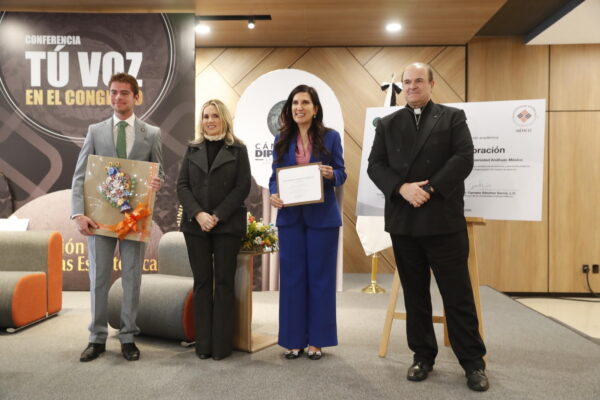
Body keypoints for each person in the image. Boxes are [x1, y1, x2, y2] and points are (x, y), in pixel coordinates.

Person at [367, 62, 489, 392]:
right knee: (415, 295)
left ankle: (473, 362)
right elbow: (375, 165)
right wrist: (402, 188)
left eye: (419, 81)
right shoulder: (388, 123)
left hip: (443, 220)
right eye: (407, 82)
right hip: (404, 222)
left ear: (432, 84)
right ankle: (422, 356)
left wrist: (429, 189)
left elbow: (463, 158)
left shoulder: (452, 118)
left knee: (457, 295)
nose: (412, 86)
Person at [71, 72, 164, 362]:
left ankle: (128, 337)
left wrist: (157, 180)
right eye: (113, 92)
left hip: (135, 219)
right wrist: (78, 213)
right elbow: (80, 176)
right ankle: (96, 338)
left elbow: (158, 170)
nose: (118, 97)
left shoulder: (152, 133)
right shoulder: (95, 131)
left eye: (124, 93)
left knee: (132, 278)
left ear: (136, 97)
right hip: (99, 219)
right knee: (98, 278)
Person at [269, 84, 346, 360]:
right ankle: (293, 340)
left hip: (322, 218)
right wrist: (274, 194)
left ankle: (317, 340)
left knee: (321, 280)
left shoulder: (331, 137)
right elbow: (274, 176)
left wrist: (330, 174)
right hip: (291, 219)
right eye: (294, 103)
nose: (299, 108)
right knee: (292, 280)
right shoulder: (281, 139)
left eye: (304, 103)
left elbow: (342, 173)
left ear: (315, 109)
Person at [177, 99, 251, 360]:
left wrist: (217, 215)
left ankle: (221, 346)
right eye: (206, 116)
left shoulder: (238, 149)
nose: (210, 120)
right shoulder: (192, 148)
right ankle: (203, 344)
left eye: (215, 116)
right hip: (195, 225)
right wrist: (198, 214)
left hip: (227, 225)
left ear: (224, 119)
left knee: (223, 283)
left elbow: (242, 187)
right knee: (202, 283)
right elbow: (182, 186)